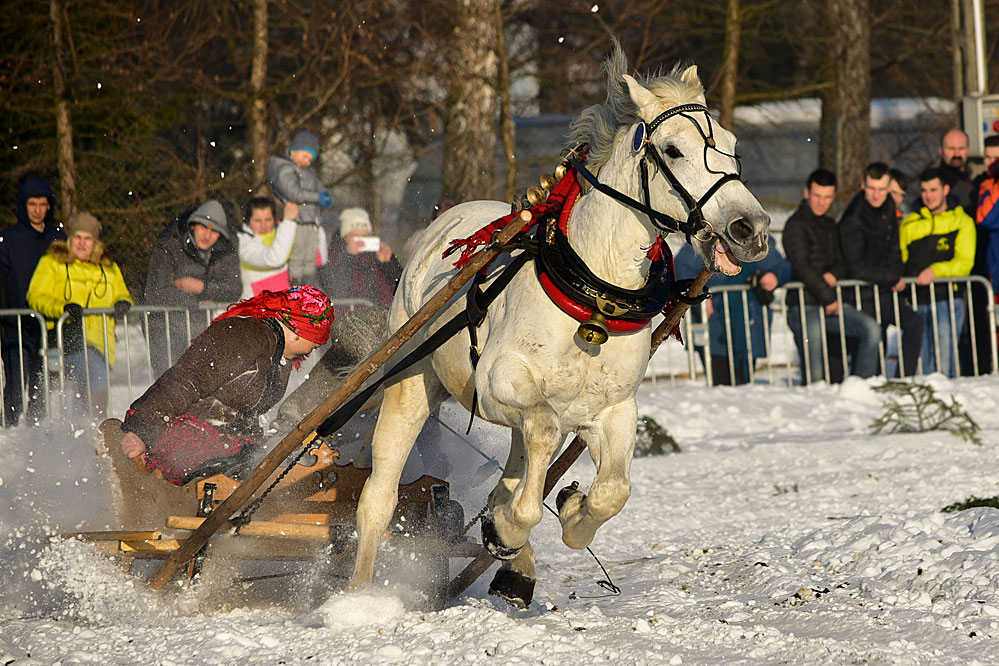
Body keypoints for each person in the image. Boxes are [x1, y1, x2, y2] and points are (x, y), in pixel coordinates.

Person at [119, 285, 334, 486]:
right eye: (315, 343)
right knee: (256, 470)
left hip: (227, 444)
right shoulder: (245, 335)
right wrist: (142, 430)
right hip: (189, 441)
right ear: (299, 330)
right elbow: (187, 379)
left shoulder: (278, 352)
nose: (312, 350)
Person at [26, 212, 133, 417]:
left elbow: (122, 292)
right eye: (77, 237)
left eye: (87, 238)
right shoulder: (52, 262)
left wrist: (123, 303)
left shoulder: (108, 268)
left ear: (95, 242)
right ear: (69, 239)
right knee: (85, 379)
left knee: (92, 378)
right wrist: (62, 308)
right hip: (63, 339)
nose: (82, 243)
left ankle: (94, 426)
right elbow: (36, 295)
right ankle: (90, 425)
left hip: (99, 342)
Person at [783, 168, 881, 385]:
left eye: (827, 197)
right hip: (804, 305)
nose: (821, 202)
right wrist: (828, 297)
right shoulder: (794, 225)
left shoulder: (830, 225)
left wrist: (833, 275)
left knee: (871, 330)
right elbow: (802, 267)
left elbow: (842, 261)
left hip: (830, 303)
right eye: (817, 196)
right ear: (807, 193)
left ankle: (860, 388)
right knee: (816, 373)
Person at [838, 162, 924, 378]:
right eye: (872, 189)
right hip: (862, 293)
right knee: (874, 337)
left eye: (882, 190)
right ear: (863, 186)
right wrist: (892, 277)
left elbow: (894, 248)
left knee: (914, 323)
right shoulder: (852, 219)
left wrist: (895, 276)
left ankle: (903, 379)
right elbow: (856, 267)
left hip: (884, 289)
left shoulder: (888, 207)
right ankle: (871, 384)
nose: (877, 195)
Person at [142, 200, 241, 378]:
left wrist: (202, 288)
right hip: (164, 329)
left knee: (198, 383)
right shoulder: (169, 246)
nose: (207, 235)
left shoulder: (225, 250)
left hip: (199, 330)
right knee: (168, 383)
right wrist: (196, 301)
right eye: (203, 227)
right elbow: (155, 291)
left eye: (214, 231)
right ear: (193, 225)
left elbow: (233, 288)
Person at [675, 236, 790, 385]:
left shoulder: (755, 237)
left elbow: (783, 266)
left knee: (744, 379)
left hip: (750, 319)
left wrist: (775, 276)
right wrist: (698, 297)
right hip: (715, 322)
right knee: (720, 379)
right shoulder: (707, 238)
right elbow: (682, 267)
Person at [0, 177, 66, 426]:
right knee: (17, 381)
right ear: (23, 205)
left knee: (43, 382)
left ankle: (37, 428)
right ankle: (9, 428)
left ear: (49, 206)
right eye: (32, 204)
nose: (38, 210)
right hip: (14, 323)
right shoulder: (8, 240)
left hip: (49, 325)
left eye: (42, 204)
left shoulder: (58, 239)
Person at [900, 167, 976, 377]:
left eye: (933, 190)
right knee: (922, 364)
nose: (928, 196)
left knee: (945, 364)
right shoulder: (910, 223)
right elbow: (902, 261)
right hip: (917, 302)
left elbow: (964, 263)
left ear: (946, 190)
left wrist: (935, 271)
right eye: (924, 190)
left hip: (948, 300)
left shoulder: (962, 222)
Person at [267, 130, 333, 288]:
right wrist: (318, 198)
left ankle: (309, 288)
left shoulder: (310, 173)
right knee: (298, 256)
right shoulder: (286, 169)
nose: (307, 162)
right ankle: (295, 287)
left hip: (311, 222)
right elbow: (293, 193)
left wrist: (326, 196)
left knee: (310, 257)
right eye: (304, 156)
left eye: (310, 159)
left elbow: (319, 187)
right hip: (298, 221)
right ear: (293, 151)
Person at [959, 135, 999, 375]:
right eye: (988, 157)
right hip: (988, 271)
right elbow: (983, 217)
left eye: (997, 158)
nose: (992, 163)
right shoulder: (982, 186)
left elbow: (985, 216)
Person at [321, 207, 401, 308]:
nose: (360, 241)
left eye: (364, 236)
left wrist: (389, 263)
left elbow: (399, 287)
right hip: (348, 318)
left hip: (381, 317)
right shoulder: (332, 258)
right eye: (355, 235)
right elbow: (334, 289)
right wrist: (349, 256)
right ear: (345, 237)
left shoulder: (377, 258)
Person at [237, 198, 299, 298]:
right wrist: (288, 221)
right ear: (248, 221)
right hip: (254, 310)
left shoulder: (281, 235)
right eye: (258, 220)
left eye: (268, 220)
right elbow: (275, 259)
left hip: (281, 308)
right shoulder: (245, 245)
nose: (263, 226)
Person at [936, 128, 973, 212]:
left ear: (968, 150)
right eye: (951, 149)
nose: (957, 154)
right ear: (941, 151)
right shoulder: (936, 181)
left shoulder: (977, 178)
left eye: (961, 148)